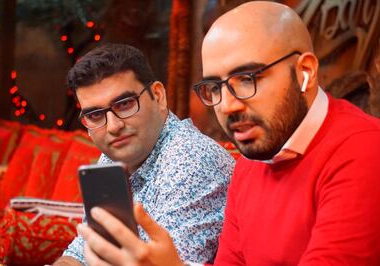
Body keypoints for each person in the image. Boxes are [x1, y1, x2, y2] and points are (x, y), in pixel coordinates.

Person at [76, 1, 380, 266]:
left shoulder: (364, 152)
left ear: (305, 73)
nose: (228, 105)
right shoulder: (252, 161)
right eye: (215, 87)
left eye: (246, 79)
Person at [52, 44, 234, 266]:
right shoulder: (113, 156)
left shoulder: (192, 161)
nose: (113, 126)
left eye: (125, 104)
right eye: (96, 115)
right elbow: (86, 247)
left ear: (158, 96)